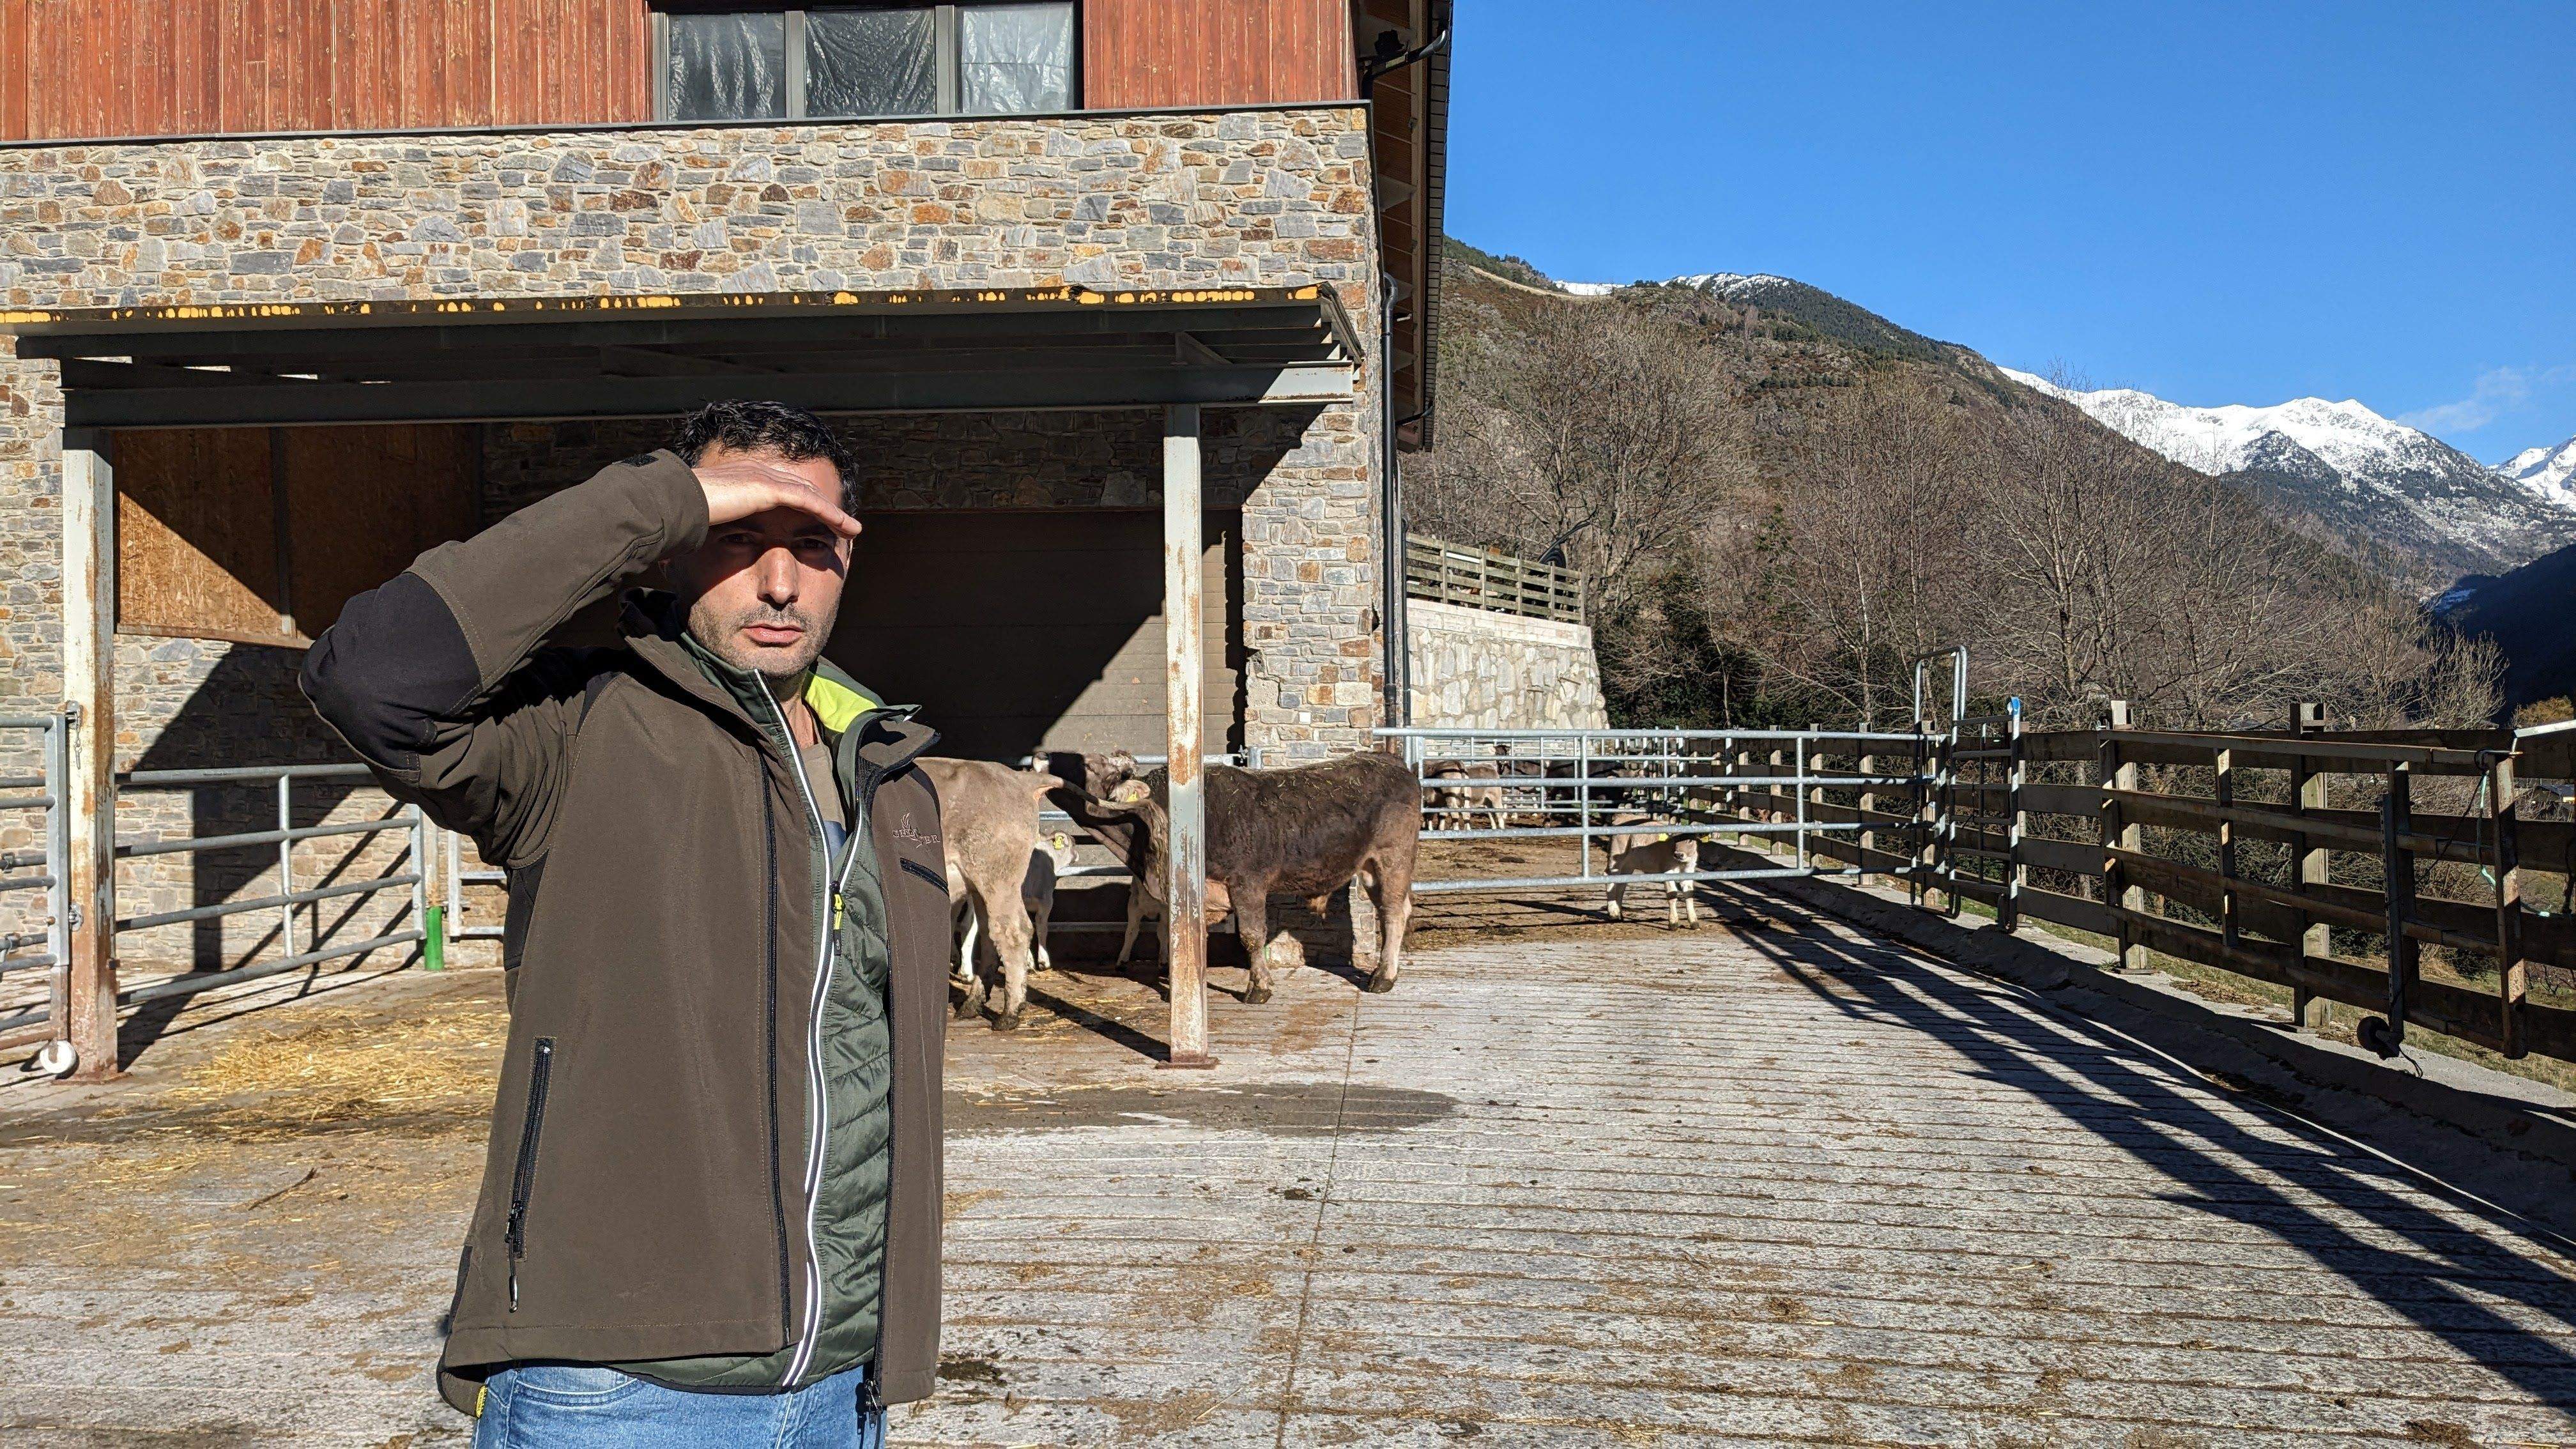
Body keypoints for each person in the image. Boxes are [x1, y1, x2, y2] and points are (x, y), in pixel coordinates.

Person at [302, 401, 948, 1446]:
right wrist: (659, 499)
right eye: (738, 540)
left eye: (812, 546)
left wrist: (888, 1346)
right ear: (674, 551)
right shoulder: (572, 732)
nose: (780, 584)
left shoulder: (889, 775)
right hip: (614, 1387)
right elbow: (367, 679)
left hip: (841, 1384)